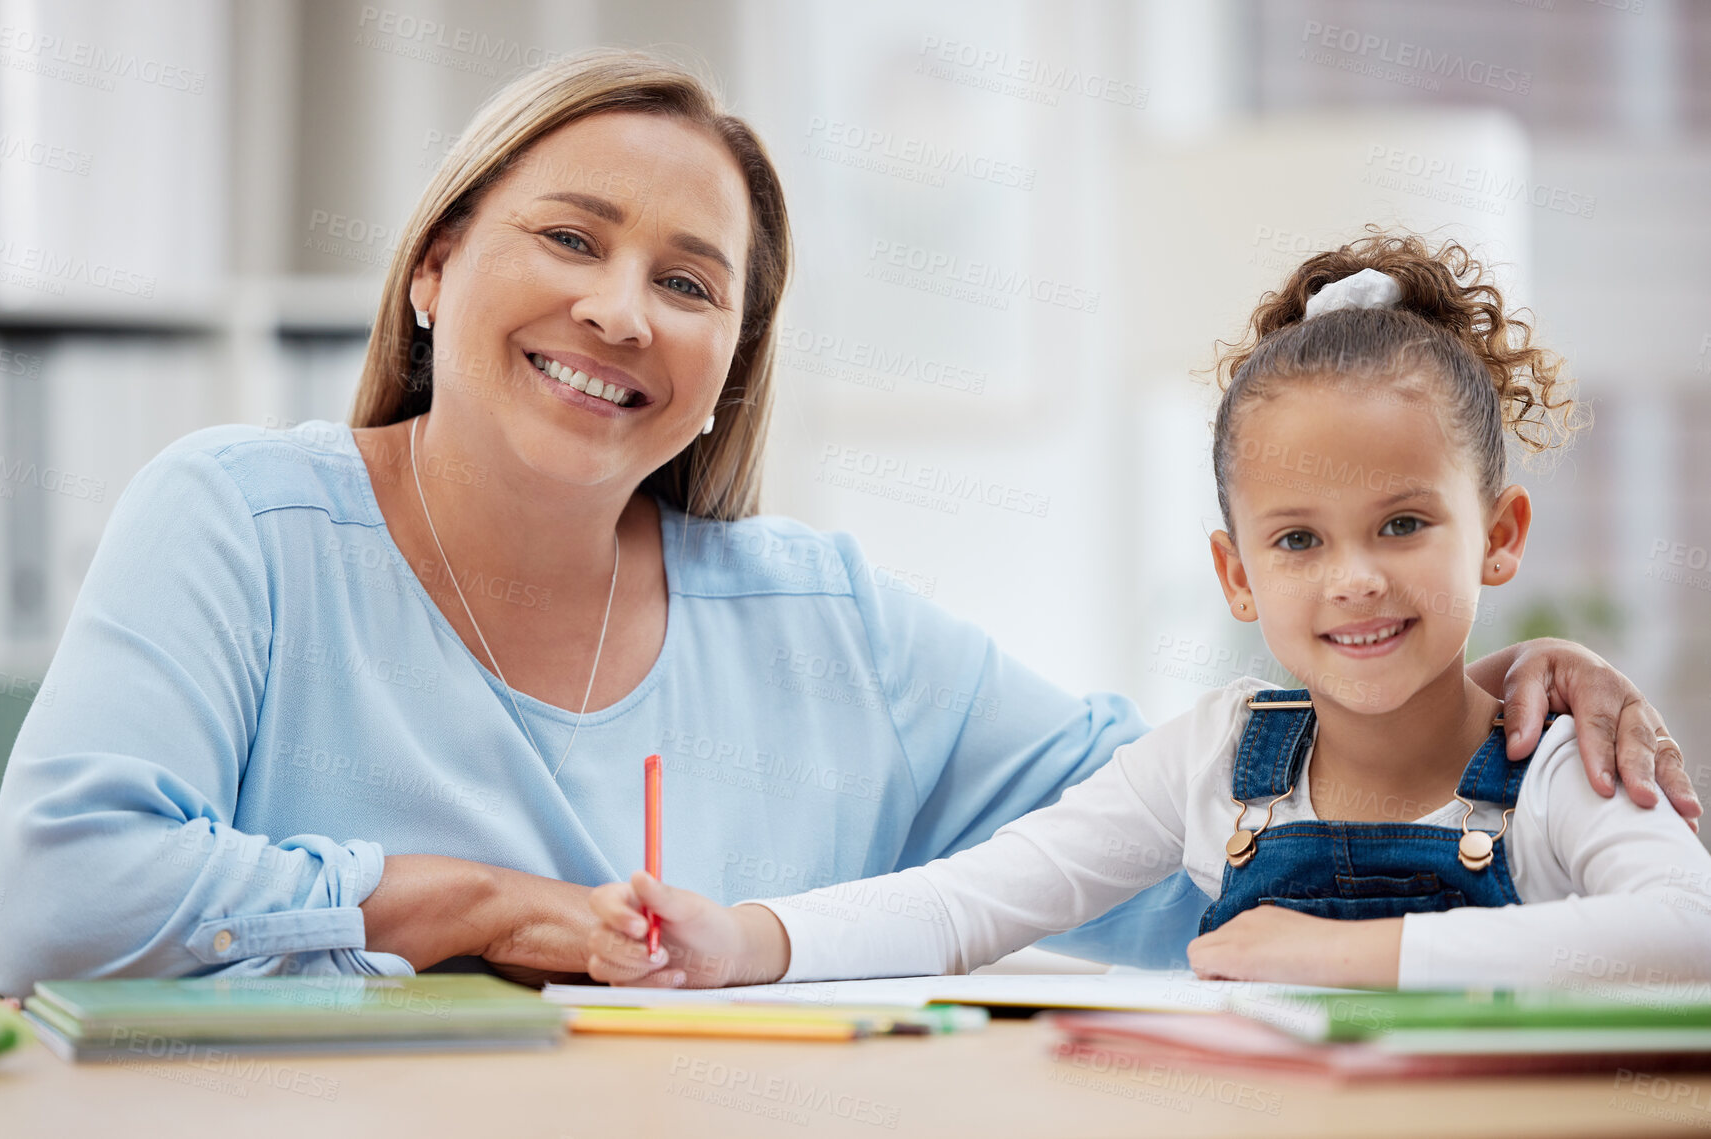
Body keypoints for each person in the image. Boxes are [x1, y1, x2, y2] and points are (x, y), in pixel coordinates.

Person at [0, 53, 1695, 998]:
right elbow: (61, 891)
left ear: (729, 367)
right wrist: (455, 898)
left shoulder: (825, 620)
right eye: (567, 238)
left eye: (686, 282)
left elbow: (1203, 849)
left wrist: (1467, 703)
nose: (616, 310)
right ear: (433, 265)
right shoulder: (235, 520)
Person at [583, 233, 1711, 990]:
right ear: (1235, 573)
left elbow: (1686, 930)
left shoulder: (1559, 769)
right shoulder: (1219, 755)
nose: (1352, 576)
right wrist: (740, 938)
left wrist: (1338, 954)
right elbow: (969, 898)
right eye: (1297, 539)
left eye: (1403, 523)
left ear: (1501, 534)